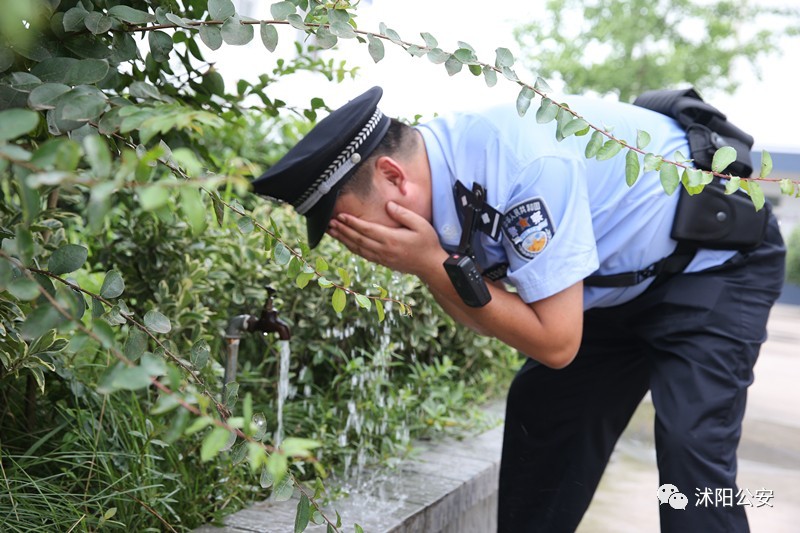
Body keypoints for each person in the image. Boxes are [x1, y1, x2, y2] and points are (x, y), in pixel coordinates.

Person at [252, 86, 786, 532]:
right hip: (608, 291)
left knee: (692, 456)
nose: (368, 245)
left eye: (360, 227)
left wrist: (430, 264)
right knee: (544, 412)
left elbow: (556, 343)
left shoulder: (523, 164)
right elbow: (485, 311)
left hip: (713, 271)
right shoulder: (438, 184)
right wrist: (428, 263)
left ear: (393, 176)